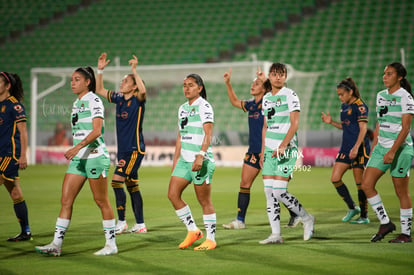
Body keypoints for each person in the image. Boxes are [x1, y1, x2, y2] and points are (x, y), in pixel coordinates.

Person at [35, 66, 117, 256]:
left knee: (101, 200)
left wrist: (76, 147)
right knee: (66, 200)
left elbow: (97, 130)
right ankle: (56, 245)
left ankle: (111, 245)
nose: (72, 83)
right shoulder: (76, 103)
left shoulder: (94, 100)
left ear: (88, 82)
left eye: (77, 79)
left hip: (95, 157)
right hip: (79, 160)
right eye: (71, 79)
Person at [222, 68, 300, 230]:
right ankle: (240, 221)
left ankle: (296, 214)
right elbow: (235, 102)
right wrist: (228, 83)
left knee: (276, 191)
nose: (253, 85)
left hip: (272, 151)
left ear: (264, 88)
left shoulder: (270, 100)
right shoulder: (251, 105)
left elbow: (275, 90)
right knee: (244, 183)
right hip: (254, 152)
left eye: (256, 84)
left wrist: (265, 79)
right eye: (252, 83)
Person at [258, 63, 314, 244]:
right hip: (269, 150)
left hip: (286, 149)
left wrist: (283, 145)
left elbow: (295, 123)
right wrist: (262, 150)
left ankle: (306, 218)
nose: (278, 77)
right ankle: (276, 235)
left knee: (280, 192)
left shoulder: (290, 95)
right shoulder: (266, 98)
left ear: (285, 77)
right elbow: (266, 126)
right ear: (270, 76)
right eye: (274, 74)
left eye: (281, 74)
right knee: (268, 191)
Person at [361, 62, 414, 243]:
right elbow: (379, 122)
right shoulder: (380, 95)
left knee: (402, 192)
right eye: (384, 73)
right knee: (366, 185)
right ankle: (386, 223)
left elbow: (406, 128)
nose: (385, 76)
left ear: (399, 77)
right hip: (381, 148)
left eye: (389, 74)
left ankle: (406, 234)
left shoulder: (405, 97)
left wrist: (392, 151)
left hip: (400, 149)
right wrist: (375, 146)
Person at [96, 53, 147, 234]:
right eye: (122, 81)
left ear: (133, 87)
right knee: (132, 185)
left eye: (126, 81)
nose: (121, 83)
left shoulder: (138, 100)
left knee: (117, 181)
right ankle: (140, 224)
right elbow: (99, 90)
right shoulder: (118, 99)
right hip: (123, 151)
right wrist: (100, 70)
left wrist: (134, 71)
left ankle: (122, 221)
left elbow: (143, 91)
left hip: (135, 149)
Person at [167, 73, 217, 250]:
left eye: (190, 85)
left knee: (204, 201)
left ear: (200, 88)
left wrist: (201, 155)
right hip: (184, 161)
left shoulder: (204, 106)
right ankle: (193, 230)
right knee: (173, 194)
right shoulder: (182, 108)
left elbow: (208, 134)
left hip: (200, 160)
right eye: (184, 85)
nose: (186, 88)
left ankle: (211, 239)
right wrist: (175, 160)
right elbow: (180, 136)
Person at [321, 78, 370, 224]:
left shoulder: (360, 106)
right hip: (345, 148)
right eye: (338, 95)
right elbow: (346, 126)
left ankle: (364, 216)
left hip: (359, 148)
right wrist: (331, 122)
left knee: (360, 183)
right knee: (335, 178)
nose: (340, 97)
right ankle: (352, 207)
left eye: (342, 94)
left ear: (350, 92)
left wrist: (356, 148)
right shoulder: (344, 107)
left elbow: (363, 129)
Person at [0, 71, 32, 242]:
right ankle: (25, 231)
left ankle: (26, 231)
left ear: (7, 86)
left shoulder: (15, 105)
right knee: (15, 193)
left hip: (9, 155)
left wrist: (23, 155)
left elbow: (23, 131)